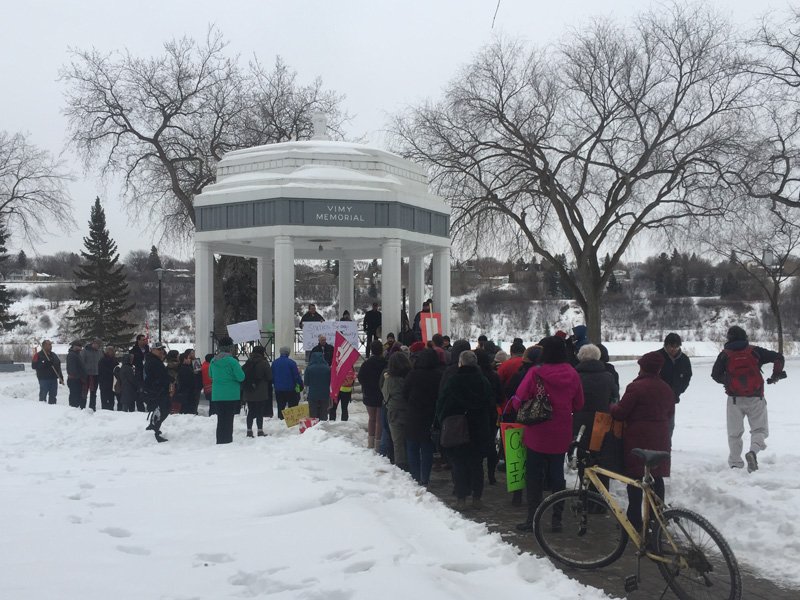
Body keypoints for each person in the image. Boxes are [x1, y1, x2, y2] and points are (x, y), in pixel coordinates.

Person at [513, 336, 584, 532]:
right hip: (561, 430)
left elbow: (518, 400)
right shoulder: (572, 373)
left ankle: (533, 518)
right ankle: (556, 519)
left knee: (534, 475)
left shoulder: (536, 373)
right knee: (557, 474)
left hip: (537, 431)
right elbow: (579, 404)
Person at [610, 351, 674, 532]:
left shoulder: (636, 387)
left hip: (638, 437)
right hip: (661, 437)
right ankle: (657, 519)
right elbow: (670, 413)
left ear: (642, 367)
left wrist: (612, 407)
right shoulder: (666, 388)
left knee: (636, 479)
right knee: (657, 478)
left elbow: (621, 413)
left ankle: (634, 521)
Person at [711, 325, 785, 472]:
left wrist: (728, 381)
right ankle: (753, 452)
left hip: (734, 399)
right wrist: (776, 375)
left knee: (734, 433)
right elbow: (778, 357)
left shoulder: (725, 355)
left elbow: (715, 374)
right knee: (760, 430)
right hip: (755, 397)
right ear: (745, 337)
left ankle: (735, 463)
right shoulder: (754, 351)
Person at [436, 350, 494, 510]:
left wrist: (441, 422)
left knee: (459, 464)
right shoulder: (483, 381)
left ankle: (461, 498)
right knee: (476, 464)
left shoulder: (453, 381)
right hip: (479, 428)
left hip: (457, 428)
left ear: (460, 363)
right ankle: (477, 497)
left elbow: (442, 404)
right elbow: (490, 405)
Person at [403, 348, 444, 485]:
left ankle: (415, 477)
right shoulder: (439, 375)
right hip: (431, 416)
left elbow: (405, 393)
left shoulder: (412, 374)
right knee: (427, 447)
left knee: (412, 446)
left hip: (413, 414)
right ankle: (425, 478)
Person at [209, 336, 245, 444]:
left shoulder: (213, 361)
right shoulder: (232, 361)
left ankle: (220, 440)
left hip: (217, 394)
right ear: (229, 347)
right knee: (229, 419)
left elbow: (210, 375)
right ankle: (227, 440)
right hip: (231, 394)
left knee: (221, 419)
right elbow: (241, 377)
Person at [476, 349, 504, 485]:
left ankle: (477, 472)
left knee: (475, 443)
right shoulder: (494, 375)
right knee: (491, 443)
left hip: (475, 413)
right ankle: (491, 474)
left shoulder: (474, 375)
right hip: (491, 413)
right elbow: (500, 395)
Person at [381, 351, 413, 470]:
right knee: (410, 441)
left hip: (394, 413)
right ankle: (412, 464)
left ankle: (401, 466)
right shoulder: (410, 376)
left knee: (398, 442)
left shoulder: (389, 379)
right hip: (410, 412)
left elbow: (385, 395)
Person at [657, 333, 692, 438]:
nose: (673, 349)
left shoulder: (684, 359)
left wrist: (679, 390)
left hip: (672, 397)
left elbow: (687, 376)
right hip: (655, 397)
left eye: (676, 347)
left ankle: (667, 445)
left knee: (669, 425)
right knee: (655, 423)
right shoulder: (657, 356)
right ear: (666, 346)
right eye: (670, 346)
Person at [358, 340, 387, 449]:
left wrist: (366, 386)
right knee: (379, 420)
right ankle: (378, 444)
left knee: (371, 419)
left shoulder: (366, 364)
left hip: (369, 394)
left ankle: (370, 443)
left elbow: (360, 378)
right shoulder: (385, 363)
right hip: (381, 394)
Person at [242, 345, 273, 437]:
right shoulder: (263, 362)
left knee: (251, 411)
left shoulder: (248, 362)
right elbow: (270, 376)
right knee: (259, 412)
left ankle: (249, 431)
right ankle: (260, 431)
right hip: (261, 392)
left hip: (249, 391)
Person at [142, 343, 170, 443]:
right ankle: (153, 431)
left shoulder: (156, 360)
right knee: (160, 411)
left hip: (159, 390)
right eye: (159, 349)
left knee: (162, 410)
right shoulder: (152, 361)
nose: (161, 351)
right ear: (152, 350)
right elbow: (157, 376)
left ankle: (154, 428)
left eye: (162, 349)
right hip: (155, 391)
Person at [272, 346, 303, 420]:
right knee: (292, 405)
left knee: (280, 405)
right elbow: (296, 376)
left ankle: (281, 419)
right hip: (291, 389)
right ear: (288, 353)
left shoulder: (274, 363)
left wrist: (275, 384)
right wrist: (300, 384)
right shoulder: (292, 363)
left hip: (278, 389)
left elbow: (272, 375)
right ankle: (292, 420)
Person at [32, 340, 63, 404]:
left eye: (50, 344)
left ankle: (52, 408)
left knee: (53, 396)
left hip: (53, 379)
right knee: (43, 396)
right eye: (48, 344)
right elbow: (34, 366)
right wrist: (44, 363)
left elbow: (58, 366)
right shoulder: (38, 355)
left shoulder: (53, 355)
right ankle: (42, 409)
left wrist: (60, 376)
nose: (50, 346)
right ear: (43, 346)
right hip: (44, 379)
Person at [304, 351, 331, 420]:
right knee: (324, 412)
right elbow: (330, 381)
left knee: (313, 413)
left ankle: (314, 427)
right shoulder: (327, 368)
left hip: (313, 394)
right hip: (325, 394)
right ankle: (323, 426)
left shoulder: (309, 368)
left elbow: (306, 382)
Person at [80, 339, 102, 410]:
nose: (97, 346)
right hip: (87, 375)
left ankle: (92, 407)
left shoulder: (99, 352)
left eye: (98, 345)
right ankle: (82, 407)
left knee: (93, 392)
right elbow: (81, 362)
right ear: (92, 343)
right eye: (96, 344)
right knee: (84, 392)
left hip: (96, 374)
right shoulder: (85, 351)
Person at [97, 346, 119, 410]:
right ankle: (104, 411)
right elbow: (102, 371)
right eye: (111, 351)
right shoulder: (102, 360)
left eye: (113, 351)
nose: (113, 352)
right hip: (104, 383)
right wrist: (112, 372)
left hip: (112, 382)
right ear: (107, 352)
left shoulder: (114, 359)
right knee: (104, 399)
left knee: (111, 399)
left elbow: (117, 367)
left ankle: (111, 409)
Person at [175, 349, 196, 416]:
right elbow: (188, 381)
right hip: (187, 392)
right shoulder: (185, 369)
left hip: (185, 392)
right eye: (188, 358)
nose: (190, 360)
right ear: (184, 359)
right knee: (186, 410)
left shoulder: (183, 367)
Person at [65, 341, 85, 408]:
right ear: (74, 346)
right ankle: (73, 410)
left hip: (78, 379)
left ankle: (76, 409)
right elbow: (72, 369)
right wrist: (79, 375)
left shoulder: (78, 354)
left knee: (78, 396)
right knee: (74, 397)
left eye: (81, 346)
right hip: (74, 379)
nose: (80, 348)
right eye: (79, 346)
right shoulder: (72, 355)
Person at [165, 349, 181, 413]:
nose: (179, 357)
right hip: (174, 386)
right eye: (178, 355)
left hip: (171, 387)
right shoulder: (176, 365)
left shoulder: (168, 365)